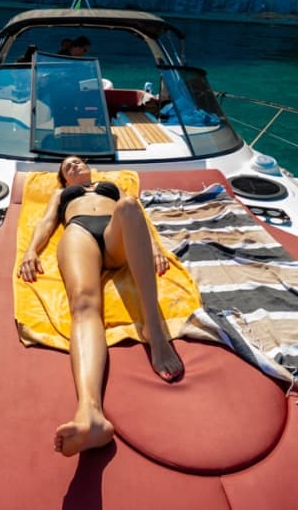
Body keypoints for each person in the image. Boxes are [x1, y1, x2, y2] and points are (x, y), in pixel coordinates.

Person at [17, 155, 184, 456]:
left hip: (115, 234)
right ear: (64, 179)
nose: (74, 166)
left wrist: (156, 247)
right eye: (67, 166)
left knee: (130, 206)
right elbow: (46, 221)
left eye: (78, 162)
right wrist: (31, 251)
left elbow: (139, 219)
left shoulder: (112, 186)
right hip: (79, 233)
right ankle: (90, 413)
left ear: (88, 167)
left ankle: (154, 332)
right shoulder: (61, 194)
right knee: (82, 305)